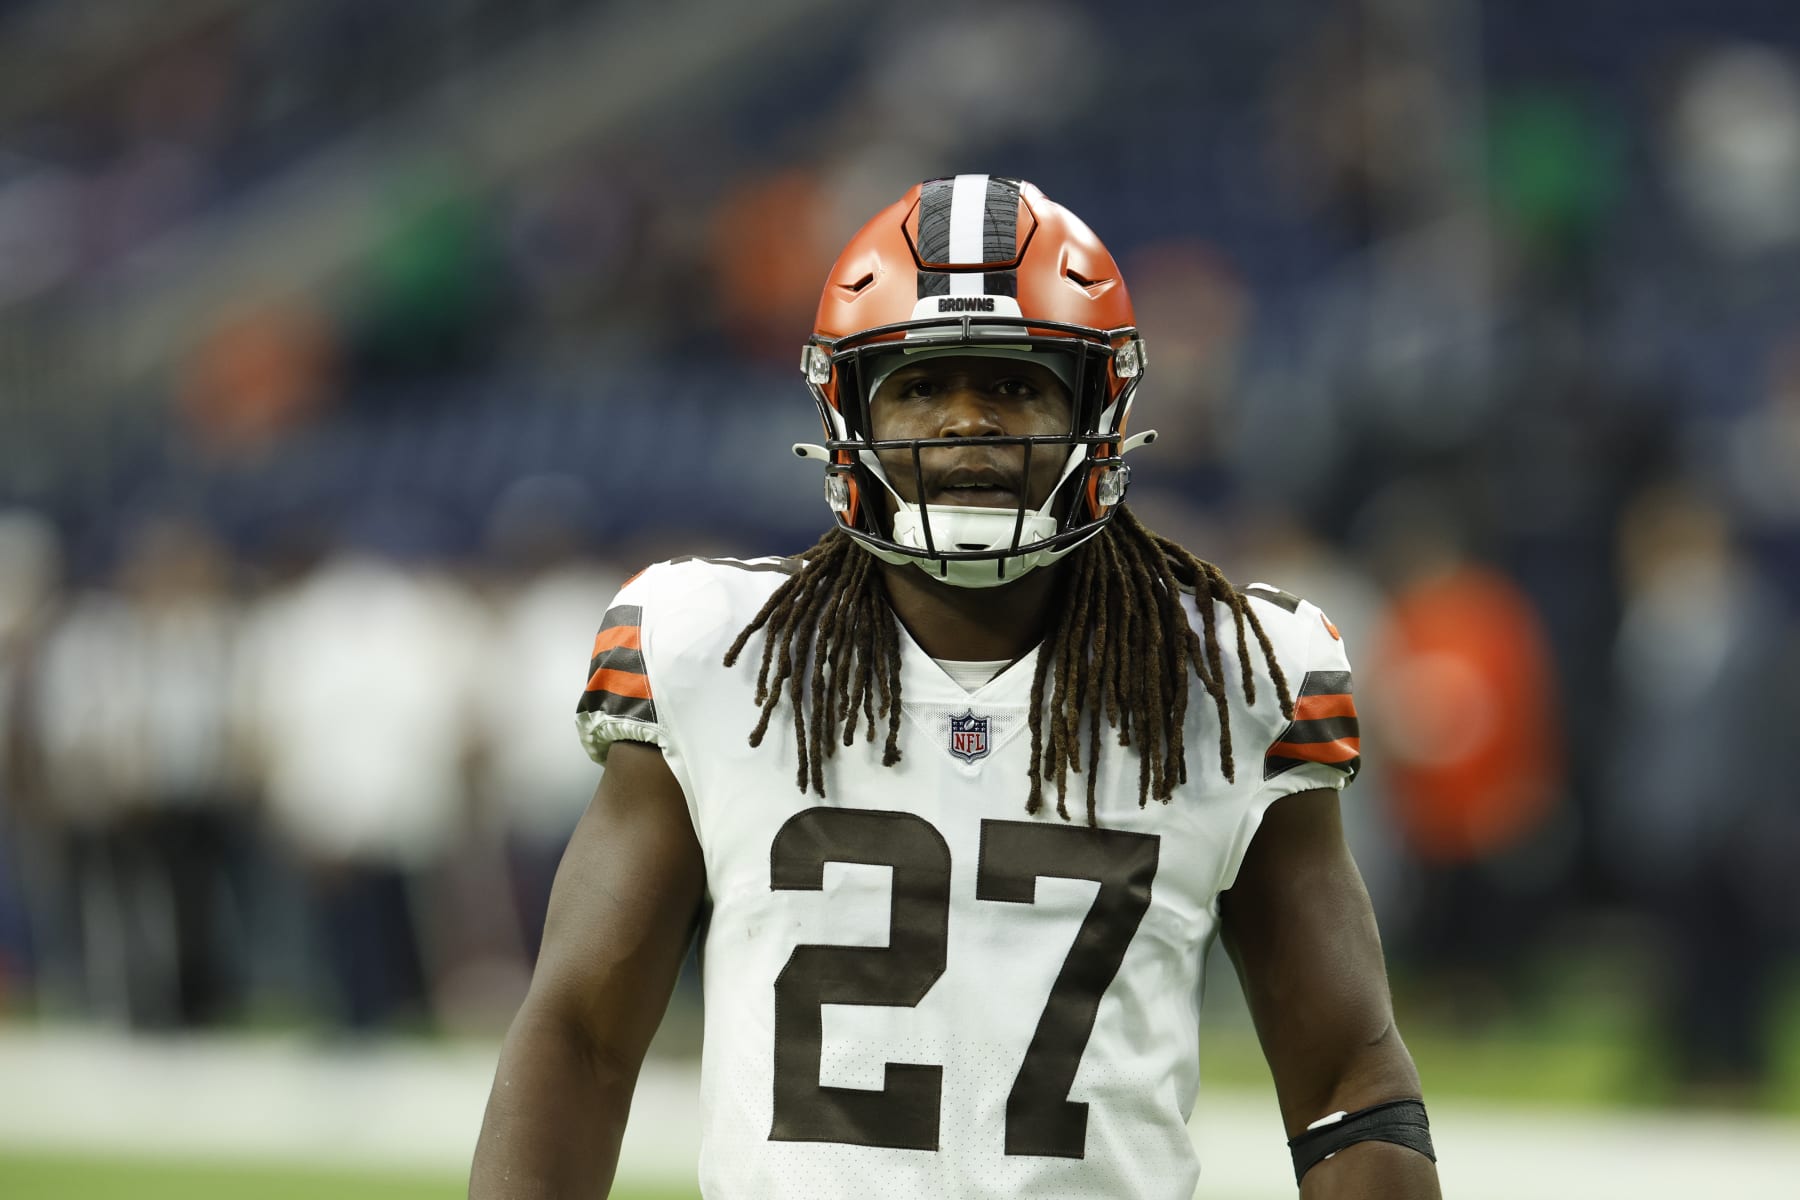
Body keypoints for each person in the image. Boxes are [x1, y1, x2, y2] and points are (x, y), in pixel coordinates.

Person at [471, 177, 1440, 1198]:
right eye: (922, 387)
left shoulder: (1229, 676)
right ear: (848, 409)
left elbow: (1346, 1077)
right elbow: (580, 1035)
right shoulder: (718, 654)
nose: (968, 420)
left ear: (1098, 409)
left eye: (1016, 387)